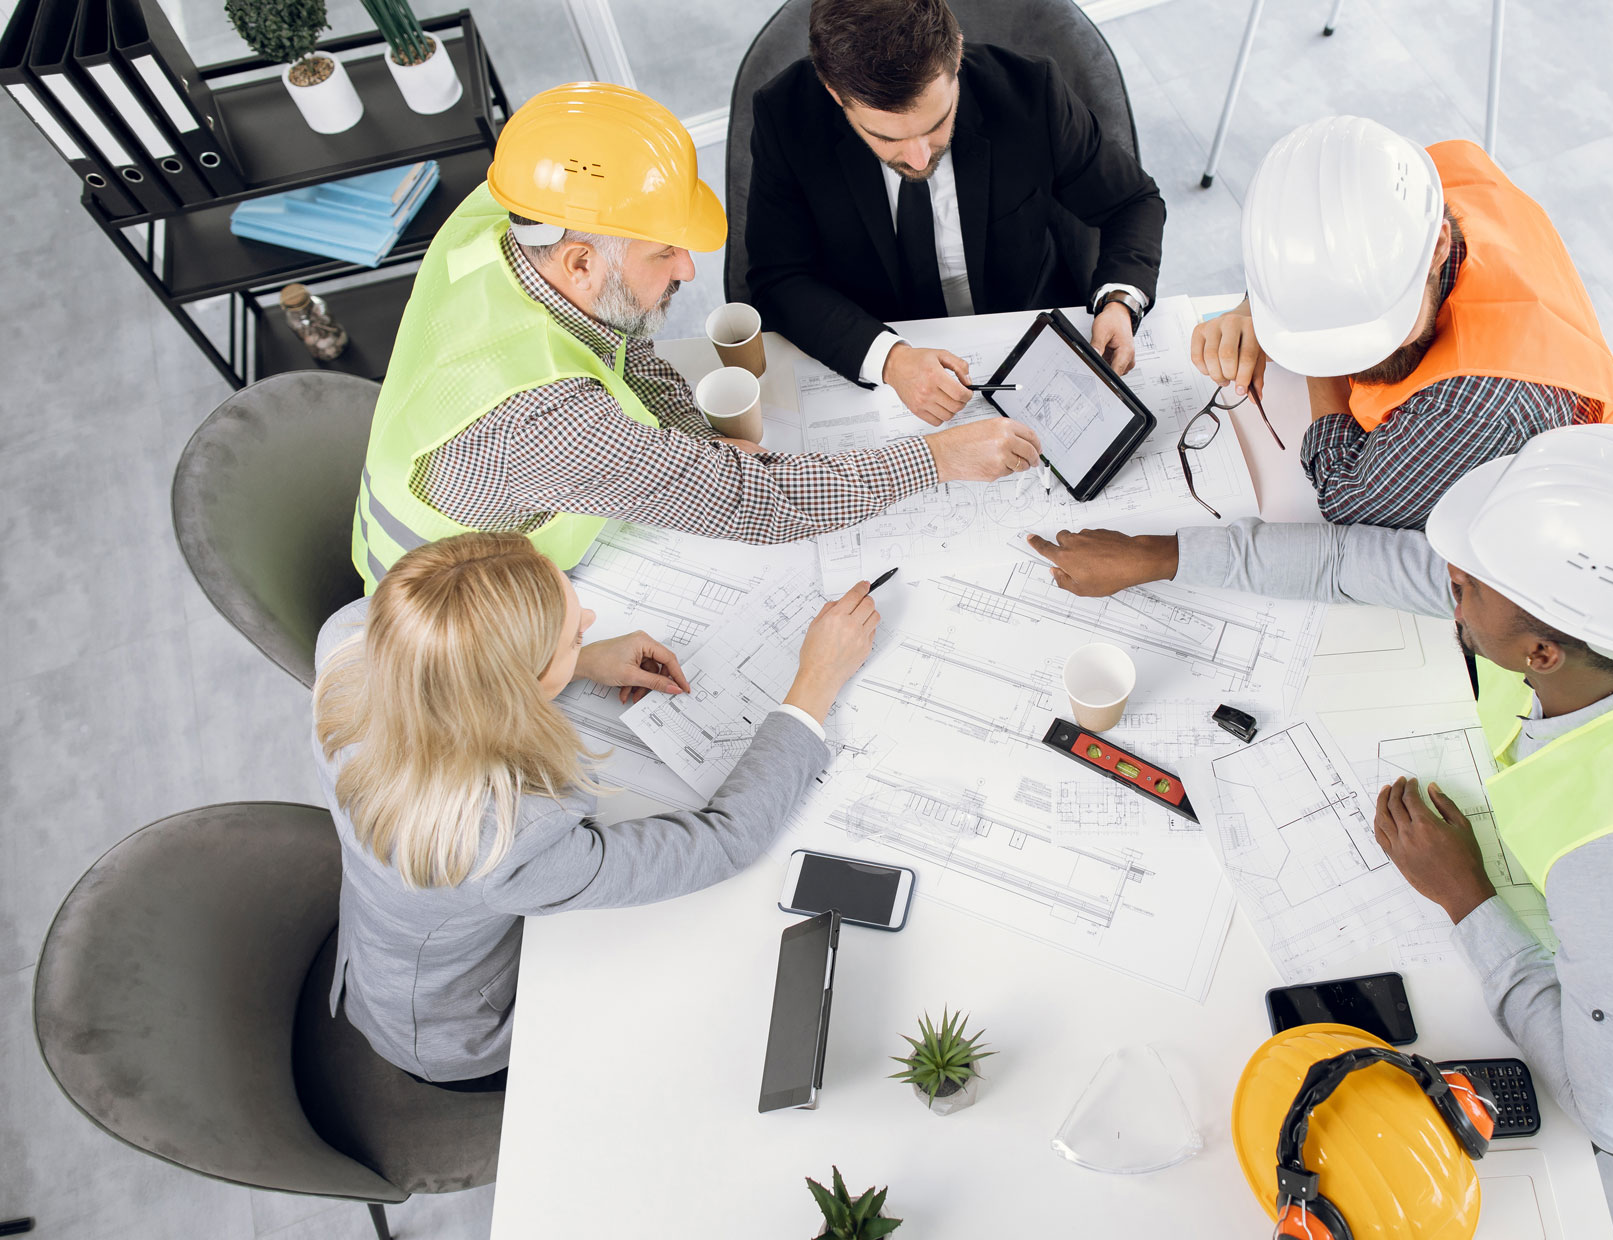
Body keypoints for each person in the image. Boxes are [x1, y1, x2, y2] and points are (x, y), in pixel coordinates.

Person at [1029, 425, 1613, 1155]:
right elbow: (1353, 563)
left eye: (1467, 587)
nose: (1445, 577)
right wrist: (1159, 556)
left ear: (1541, 654)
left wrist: (1466, 897)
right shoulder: (1611, 631)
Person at [351, 80, 1040, 593]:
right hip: (464, 621)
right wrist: (935, 460)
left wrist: (695, 435)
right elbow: (755, 501)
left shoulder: (509, 216)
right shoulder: (545, 421)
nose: (689, 267)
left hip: (481, 528)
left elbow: (620, 344)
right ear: (582, 262)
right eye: (664, 253)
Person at [312, 530, 879, 1086]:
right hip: (452, 1028)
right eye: (572, 635)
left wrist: (575, 662)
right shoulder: (504, 840)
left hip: (385, 937)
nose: (587, 620)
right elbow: (726, 841)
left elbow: (451, 669)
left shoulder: (355, 636)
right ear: (514, 685)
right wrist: (815, 683)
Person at [744, 0, 1167, 425]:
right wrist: (890, 359)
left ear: (957, 55)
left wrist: (1118, 300)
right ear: (834, 92)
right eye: (885, 137)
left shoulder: (1032, 93)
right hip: (870, 351)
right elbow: (779, 276)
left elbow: (1132, 202)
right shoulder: (785, 116)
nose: (917, 157)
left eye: (936, 123)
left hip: (1024, 334)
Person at [1191, 115, 1613, 530]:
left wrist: (1316, 363)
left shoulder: (1474, 408)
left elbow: (1346, 497)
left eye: (1370, 331)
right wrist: (1256, 311)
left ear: (1437, 248)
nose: (1354, 357)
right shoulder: (1420, 191)